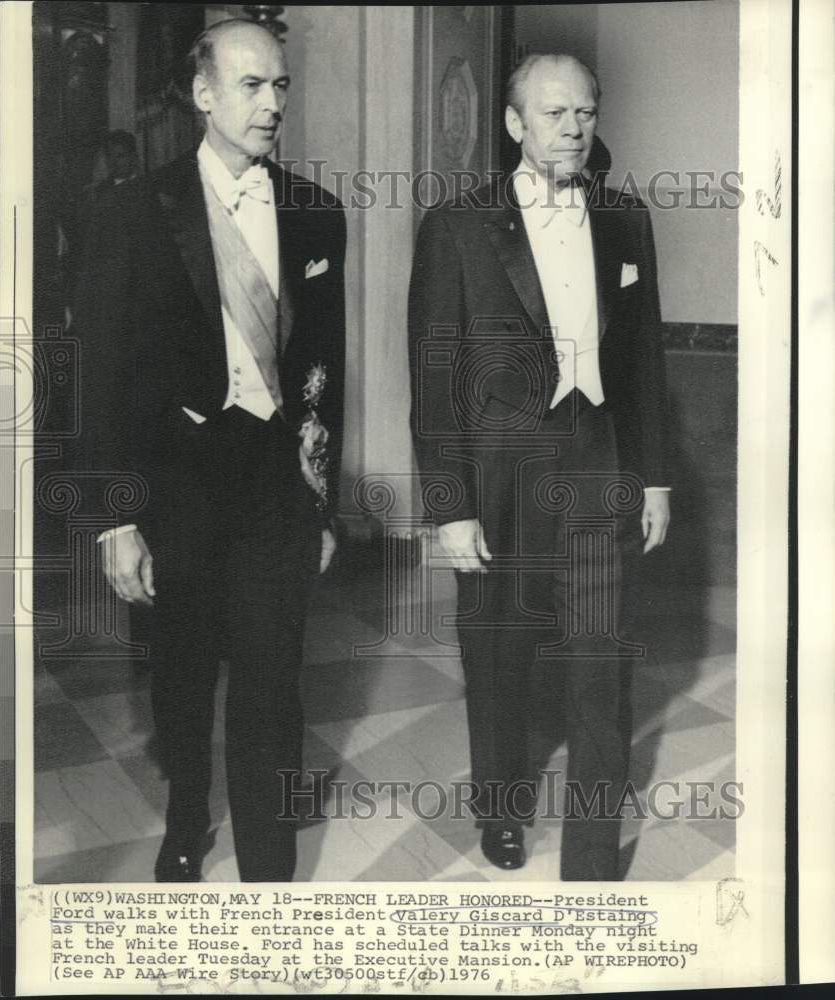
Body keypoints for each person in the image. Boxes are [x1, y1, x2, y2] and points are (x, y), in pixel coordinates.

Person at [73, 18, 346, 882]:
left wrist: (320, 500)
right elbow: (101, 377)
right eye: (251, 86)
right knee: (183, 676)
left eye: (281, 87)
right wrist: (116, 520)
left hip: (274, 489)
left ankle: (268, 866)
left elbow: (322, 376)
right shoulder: (130, 212)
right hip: (175, 486)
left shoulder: (317, 215)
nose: (272, 104)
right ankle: (187, 815)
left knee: (273, 678)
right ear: (203, 95)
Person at [408, 53, 670, 880]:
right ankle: (500, 810)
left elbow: (644, 363)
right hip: (498, 480)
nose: (573, 125)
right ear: (516, 124)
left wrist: (654, 475)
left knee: (602, 665)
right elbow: (432, 379)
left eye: (585, 110)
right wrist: (449, 506)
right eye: (553, 113)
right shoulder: (456, 226)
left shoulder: (626, 220)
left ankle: (591, 859)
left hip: (599, 465)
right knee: (498, 659)